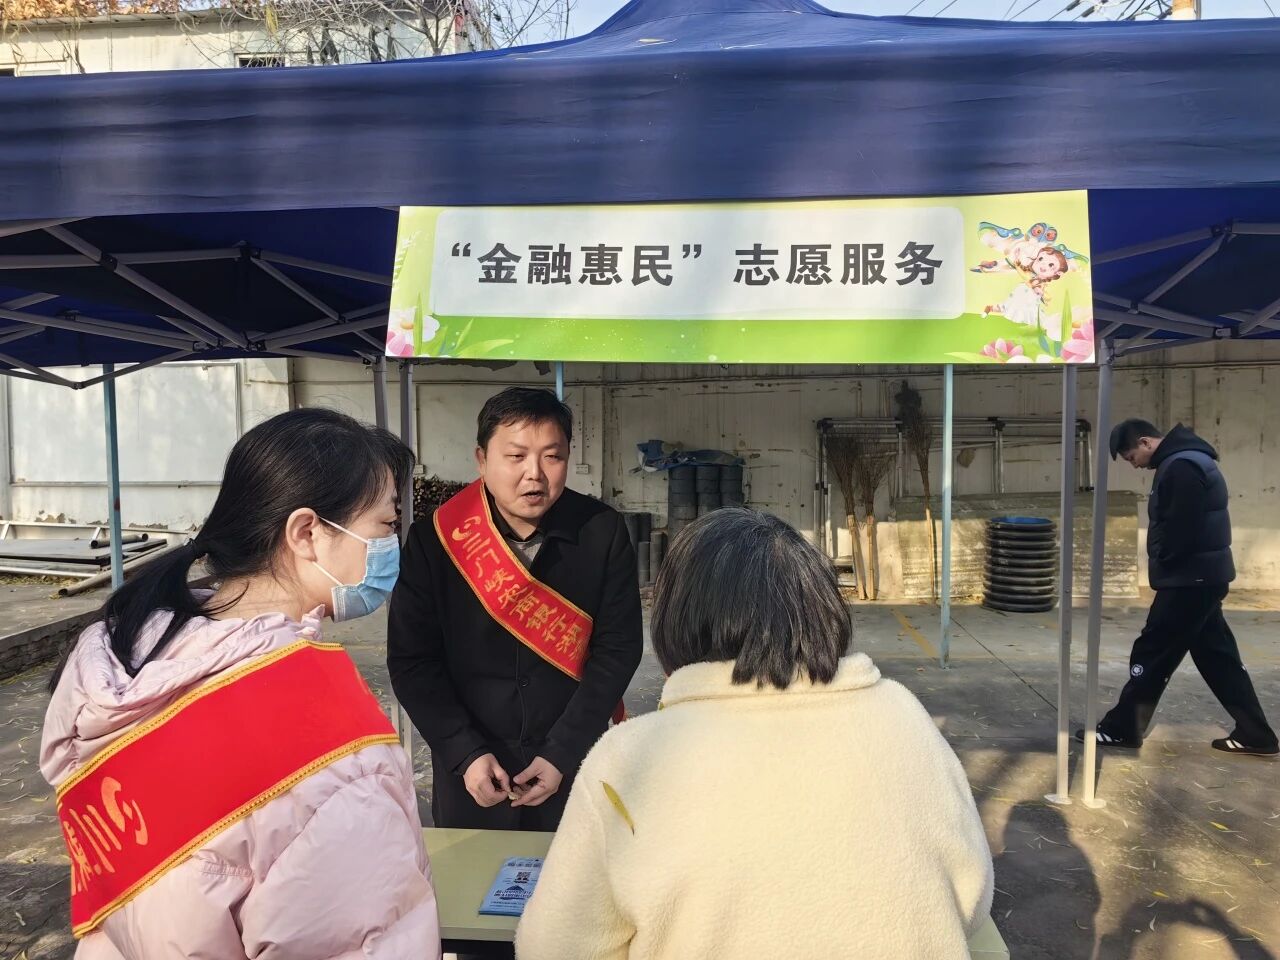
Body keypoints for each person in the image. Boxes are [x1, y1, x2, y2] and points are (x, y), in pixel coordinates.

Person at [41, 408, 442, 960]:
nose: (393, 543)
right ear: (307, 534)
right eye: (387, 525)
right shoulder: (331, 745)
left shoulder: (126, 658)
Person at [516, 509, 994, 960]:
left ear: (675, 622)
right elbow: (972, 903)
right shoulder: (903, 716)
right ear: (824, 609)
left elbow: (555, 946)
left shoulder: (630, 758)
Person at [388, 387, 643, 832]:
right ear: (481, 459)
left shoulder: (601, 532)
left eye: (552, 457)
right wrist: (464, 752)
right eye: (516, 456)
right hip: (474, 774)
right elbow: (413, 661)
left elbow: (617, 650)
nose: (534, 475)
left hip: (572, 765)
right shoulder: (437, 539)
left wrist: (563, 752)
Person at [1078, 419, 1277, 755]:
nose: (1134, 465)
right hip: (1202, 577)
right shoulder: (1188, 460)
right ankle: (1256, 734)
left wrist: (1164, 557)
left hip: (1189, 580)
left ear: (1146, 442)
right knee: (1218, 658)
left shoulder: (1181, 466)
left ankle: (1122, 728)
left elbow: (1184, 526)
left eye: (1131, 457)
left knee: (1153, 651)